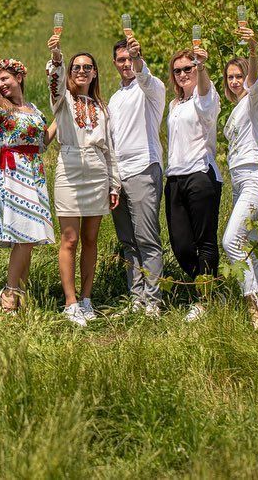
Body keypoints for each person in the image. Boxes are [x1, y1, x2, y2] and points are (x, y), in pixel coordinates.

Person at [0, 58, 55, 313]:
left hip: (34, 171)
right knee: (24, 236)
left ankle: (21, 294)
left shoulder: (33, 108)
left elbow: (44, 140)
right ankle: (9, 293)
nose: (1, 84)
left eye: (5, 79)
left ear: (19, 77)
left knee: (30, 236)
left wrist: (62, 112)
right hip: (13, 172)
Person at [46, 33, 120, 326]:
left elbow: (109, 149)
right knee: (69, 238)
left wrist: (115, 183)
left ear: (95, 72)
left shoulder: (102, 107)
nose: (81, 71)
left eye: (87, 67)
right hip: (70, 167)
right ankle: (70, 301)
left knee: (91, 239)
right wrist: (56, 59)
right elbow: (54, 82)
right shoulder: (62, 100)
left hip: (97, 169)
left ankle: (88, 298)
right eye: (76, 67)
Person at [222, 27, 258, 329]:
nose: (235, 81)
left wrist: (253, 49)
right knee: (256, 243)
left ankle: (252, 303)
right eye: (230, 77)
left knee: (231, 241)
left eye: (238, 75)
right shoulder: (237, 107)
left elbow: (255, 79)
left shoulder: (256, 100)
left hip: (254, 178)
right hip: (239, 181)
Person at [165, 45, 223, 322]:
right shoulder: (174, 105)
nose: (182, 74)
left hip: (200, 174)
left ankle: (204, 300)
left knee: (205, 240)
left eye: (187, 68)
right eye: (177, 71)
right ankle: (212, 286)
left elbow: (204, 92)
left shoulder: (205, 97)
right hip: (175, 176)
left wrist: (201, 67)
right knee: (181, 244)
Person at [108, 34, 166, 316]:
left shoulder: (151, 88)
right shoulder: (114, 98)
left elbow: (144, 75)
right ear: (115, 64)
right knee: (128, 241)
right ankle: (137, 297)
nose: (127, 63)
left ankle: (153, 301)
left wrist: (139, 57)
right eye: (121, 60)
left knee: (147, 239)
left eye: (130, 58)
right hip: (121, 175)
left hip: (144, 168)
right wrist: (113, 180)